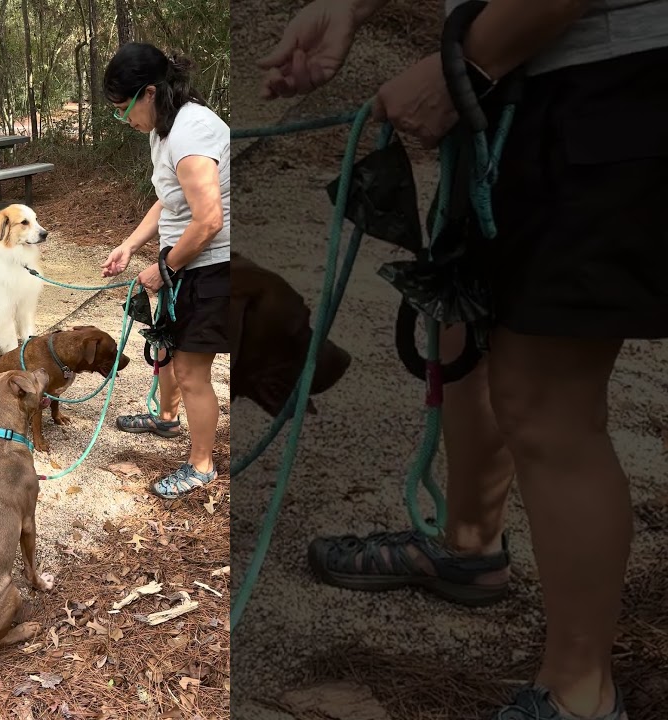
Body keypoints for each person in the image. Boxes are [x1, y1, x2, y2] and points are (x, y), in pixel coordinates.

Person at [259, 0, 668, 718]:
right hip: (521, 84)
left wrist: (466, 63)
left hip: (602, 76)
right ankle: (469, 548)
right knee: (466, 329)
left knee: (548, 407)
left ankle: (579, 696)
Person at [98, 42, 231, 501]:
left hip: (212, 268)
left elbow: (209, 220)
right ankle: (168, 419)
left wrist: (163, 269)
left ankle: (201, 464)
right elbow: (169, 198)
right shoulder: (165, 128)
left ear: (149, 92)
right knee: (168, 350)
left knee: (193, 370)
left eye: (123, 109)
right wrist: (131, 244)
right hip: (184, 262)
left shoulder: (192, 132)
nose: (124, 119)